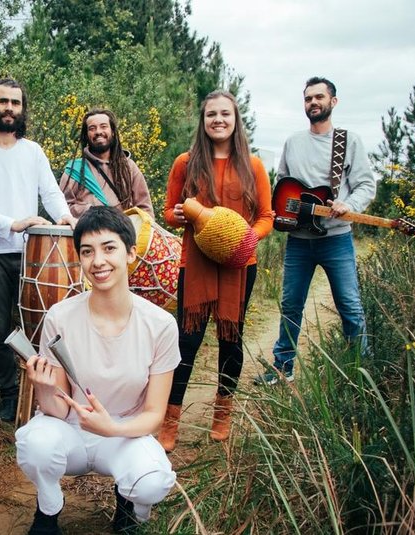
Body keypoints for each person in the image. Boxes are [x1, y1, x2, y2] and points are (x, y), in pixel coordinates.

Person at [15, 206, 179, 534]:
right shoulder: (60, 317)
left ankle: (130, 506)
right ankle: (48, 508)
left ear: (131, 253)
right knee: (35, 444)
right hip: (71, 431)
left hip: (124, 434)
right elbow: (58, 410)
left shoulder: (160, 324)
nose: (98, 261)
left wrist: (112, 429)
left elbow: (154, 415)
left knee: (152, 480)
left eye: (109, 248)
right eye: (87, 252)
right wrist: (45, 388)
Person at [160, 90, 273, 449]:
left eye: (225, 114)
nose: (218, 120)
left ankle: (222, 414)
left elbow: (266, 217)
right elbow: (168, 212)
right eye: (211, 115)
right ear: (203, 120)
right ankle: (169, 421)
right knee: (186, 342)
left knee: (231, 340)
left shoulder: (253, 165)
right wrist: (177, 216)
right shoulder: (185, 162)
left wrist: (246, 239)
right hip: (195, 263)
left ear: (236, 120)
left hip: (240, 265)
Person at [0, 77, 76, 421]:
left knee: (41, 326)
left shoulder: (33, 151)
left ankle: (45, 394)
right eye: (3, 102)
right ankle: (10, 395)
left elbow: (51, 193)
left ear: (22, 109)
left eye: (16, 103)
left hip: (35, 251)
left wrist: (66, 217)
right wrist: (12, 223)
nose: (9, 108)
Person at [255, 77, 375, 386]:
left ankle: (360, 371)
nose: (313, 103)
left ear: (333, 102)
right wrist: (286, 212)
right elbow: (283, 183)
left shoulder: (349, 141)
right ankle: (283, 367)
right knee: (291, 305)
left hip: (337, 239)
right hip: (298, 241)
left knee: (349, 305)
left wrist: (349, 204)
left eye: (319, 97)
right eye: (308, 98)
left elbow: (366, 185)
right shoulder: (293, 142)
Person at [59, 108, 154, 218]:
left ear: (113, 132)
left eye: (103, 126)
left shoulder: (129, 167)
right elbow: (62, 209)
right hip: (88, 233)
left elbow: (145, 210)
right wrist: (93, 211)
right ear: (86, 135)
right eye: (92, 128)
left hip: (123, 233)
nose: (98, 132)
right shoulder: (75, 170)